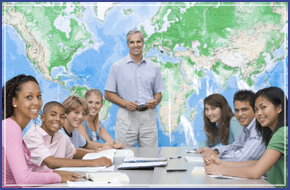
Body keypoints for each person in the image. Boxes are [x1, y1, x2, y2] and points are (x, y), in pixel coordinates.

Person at [2, 74, 81, 187]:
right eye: (29, 97)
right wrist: (59, 177)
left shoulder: (13, 127)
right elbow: (24, 180)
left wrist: (54, 172)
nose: (37, 102)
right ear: (14, 101)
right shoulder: (10, 127)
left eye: (39, 96)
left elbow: (27, 173)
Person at [205, 87, 288, 188]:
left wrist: (220, 170)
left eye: (263, 107)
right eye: (256, 109)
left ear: (279, 108)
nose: (259, 113)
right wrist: (221, 162)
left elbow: (255, 171)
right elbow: (258, 163)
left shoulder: (282, 133)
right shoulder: (272, 132)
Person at [104, 29, 166, 148]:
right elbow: (108, 94)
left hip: (148, 116)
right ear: (127, 44)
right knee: (122, 154)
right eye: (132, 42)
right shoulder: (117, 67)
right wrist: (125, 103)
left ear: (143, 43)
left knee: (151, 156)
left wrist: (155, 102)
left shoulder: (153, 67)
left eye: (138, 41)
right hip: (126, 116)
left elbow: (158, 93)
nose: (135, 45)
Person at [23, 101, 112, 170]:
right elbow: (50, 162)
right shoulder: (33, 135)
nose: (58, 119)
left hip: (55, 181)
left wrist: (99, 154)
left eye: (62, 116)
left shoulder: (61, 137)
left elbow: (73, 153)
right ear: (42, 117)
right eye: (53, 115)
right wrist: (93, 162)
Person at [202, 90, 266, 162]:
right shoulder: (245, 128)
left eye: (244, 109)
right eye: (237, 110)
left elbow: (242, 157)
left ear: (255, 109)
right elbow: (235, 146)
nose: (239, 114)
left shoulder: (259, 129)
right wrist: (216, 151)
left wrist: (215, 156)